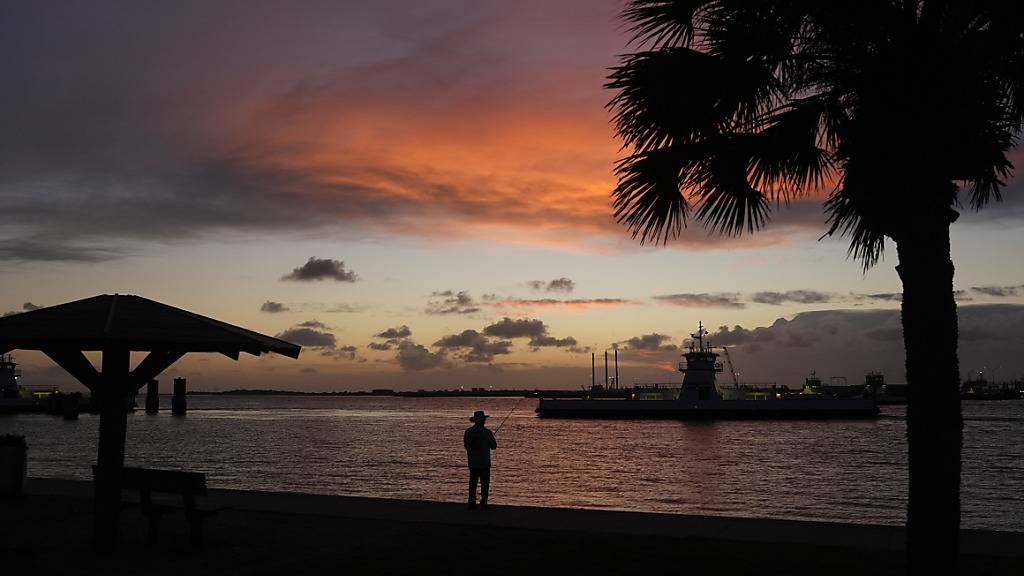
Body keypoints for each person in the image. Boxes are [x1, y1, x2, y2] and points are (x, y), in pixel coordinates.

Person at [463, 410, 497, 510]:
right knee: (484, 484)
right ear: (483, 421)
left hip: (473, 462)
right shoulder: (487, 432)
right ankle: (483, 503)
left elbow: (466, 446)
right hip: (484, 463)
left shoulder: (468, 432)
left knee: (472, 483)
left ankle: (471, 503)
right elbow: (494, 446)